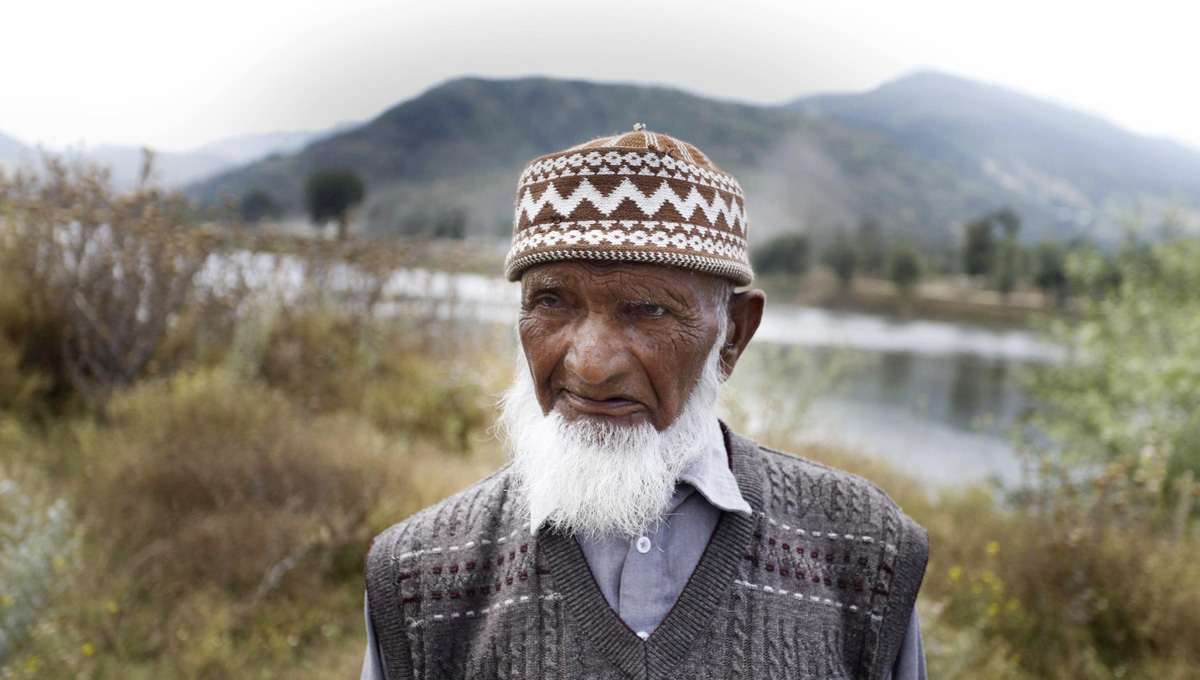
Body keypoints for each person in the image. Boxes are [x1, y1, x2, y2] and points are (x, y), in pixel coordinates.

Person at [361, 127, 929, 679]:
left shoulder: (864, 553)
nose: (590, 363)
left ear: (733, 334)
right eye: (553, 301)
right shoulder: (419, 576)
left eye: (648, 310)